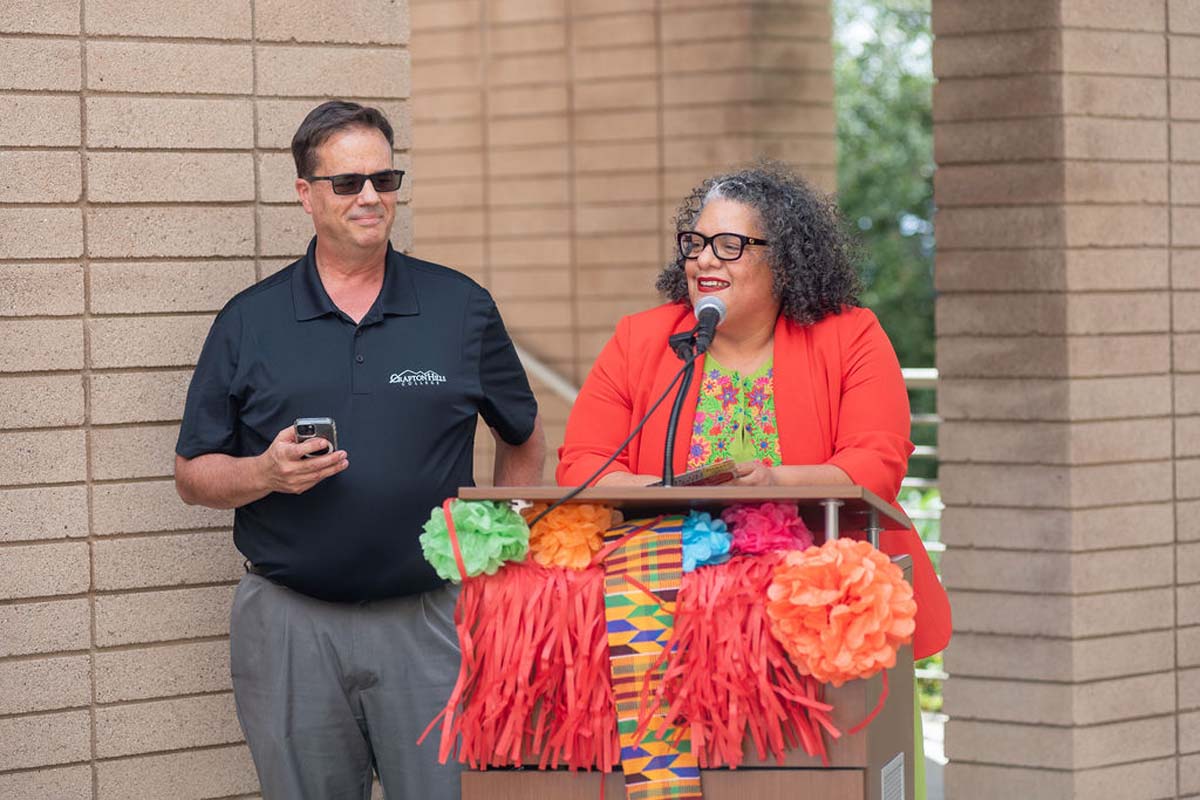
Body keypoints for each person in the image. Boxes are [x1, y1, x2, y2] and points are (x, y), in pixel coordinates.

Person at [174, 100, 545, 800]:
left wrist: (492, 552)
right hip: (290, 622)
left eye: (385, 178)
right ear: (306, 194)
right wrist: (263, 472)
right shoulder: (249, 319)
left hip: (431, 617)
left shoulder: (459, 306)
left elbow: (522, 439)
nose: (370, 196)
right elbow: (192, 475)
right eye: (347, 183)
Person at [556, 163, 948, 797]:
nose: (706, 259)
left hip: (823, 616)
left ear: (786, 260)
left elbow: (877, 463)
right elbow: (580, 466)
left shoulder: (851, 336)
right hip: (667, 610)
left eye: (730, 245)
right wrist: (662, 493)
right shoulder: (643, 339)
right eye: (697, 242)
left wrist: (774, 477)